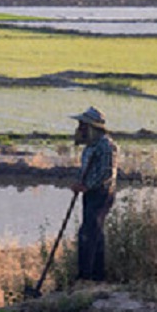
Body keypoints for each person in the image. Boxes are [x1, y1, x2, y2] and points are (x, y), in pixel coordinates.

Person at [70, 106, 118, 282]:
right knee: (95, 233)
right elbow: (85, 169)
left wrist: (87, 186)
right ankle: (96, 276)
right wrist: (79, 183)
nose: (80, 128)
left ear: (92, 127)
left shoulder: (106, 146)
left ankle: (86, 277)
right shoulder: (90, 146)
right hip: (90, 194)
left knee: (88, 233)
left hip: (101, 194)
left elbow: (106, 173)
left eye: (83, 125)